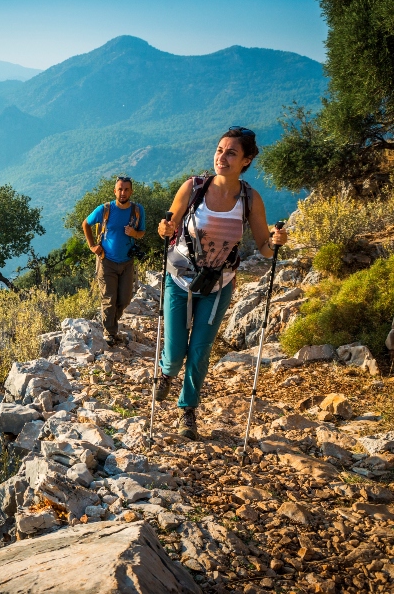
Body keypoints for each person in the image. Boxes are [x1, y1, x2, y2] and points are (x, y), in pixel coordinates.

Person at [156, 127, 287, 440]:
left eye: (231, 153)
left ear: (246, 160)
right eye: (219, 150)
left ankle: (187, 411)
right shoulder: (193, 187)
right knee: (175, 352)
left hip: (219, 283)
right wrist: (164, 228)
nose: (222, 157)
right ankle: (166, 372)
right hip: (179, 277)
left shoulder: (249, 199)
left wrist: (277, 242)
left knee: (200, 351)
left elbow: (265, 248)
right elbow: (169, 226)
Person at [82, 176, 146, 346]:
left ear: (131, 191)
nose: (123, 192)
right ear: (114, 191)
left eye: (126, 189)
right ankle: (109, 333)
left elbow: (142, 233)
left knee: (124, 299)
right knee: (109, 298)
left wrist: (134, 234)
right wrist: (92, 246)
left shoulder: (138, 210)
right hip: (106, 261)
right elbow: (85, 224)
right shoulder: (104, 209)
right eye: (120, 189)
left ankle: (110, 323)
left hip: (127, 262)